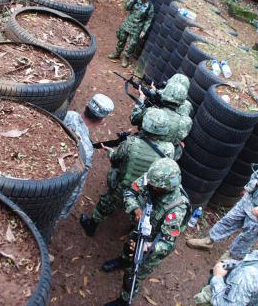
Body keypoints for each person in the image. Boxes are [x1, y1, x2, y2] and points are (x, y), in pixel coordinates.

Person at [103, 158, 190, 306]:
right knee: (129, 245)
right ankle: (122, 260)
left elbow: (167, 243)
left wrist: (146, 247)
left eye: (154, 186)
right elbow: (129, 193)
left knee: (133, 274)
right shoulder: (152, 178)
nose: (149, 185)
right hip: (141, 227)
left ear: (166, 187)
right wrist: (136, 209)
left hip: (155, 242)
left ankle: (124, 300)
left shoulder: (177, 208)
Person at [79, 108, 175, 236]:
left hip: (124, 186)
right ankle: (132, 227)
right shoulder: (169, 149)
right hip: (146, 190)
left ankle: (92, 225)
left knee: (106, 203)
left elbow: (115, 159)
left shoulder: (130, 144)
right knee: (140, 211)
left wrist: (110, 151)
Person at [194, 218, 258, 305]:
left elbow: (224, 303)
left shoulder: (248, 276)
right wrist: (233, 264)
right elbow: (256, 263)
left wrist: (218, 277)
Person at [59, 94, 115, 219]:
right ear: (101, 121)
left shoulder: (69, 115)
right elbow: (76, 182)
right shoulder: (87, 150)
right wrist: (64, 210)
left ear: (86, 107)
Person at [131, 82, 193, 160]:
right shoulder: (185, 122)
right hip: (162, 157)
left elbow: (133, 120)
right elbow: (176, 141)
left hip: (139, 149)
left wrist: (141, 100)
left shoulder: (152, 111)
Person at [109, 0, 155, 68]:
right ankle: (117, 53)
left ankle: (125, 58)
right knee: (122, 38)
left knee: (132, 44)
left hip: (137, 27)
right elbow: (126, 7)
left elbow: (149, 19)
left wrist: (144, 31)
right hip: (128, 23)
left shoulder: (149, 6)